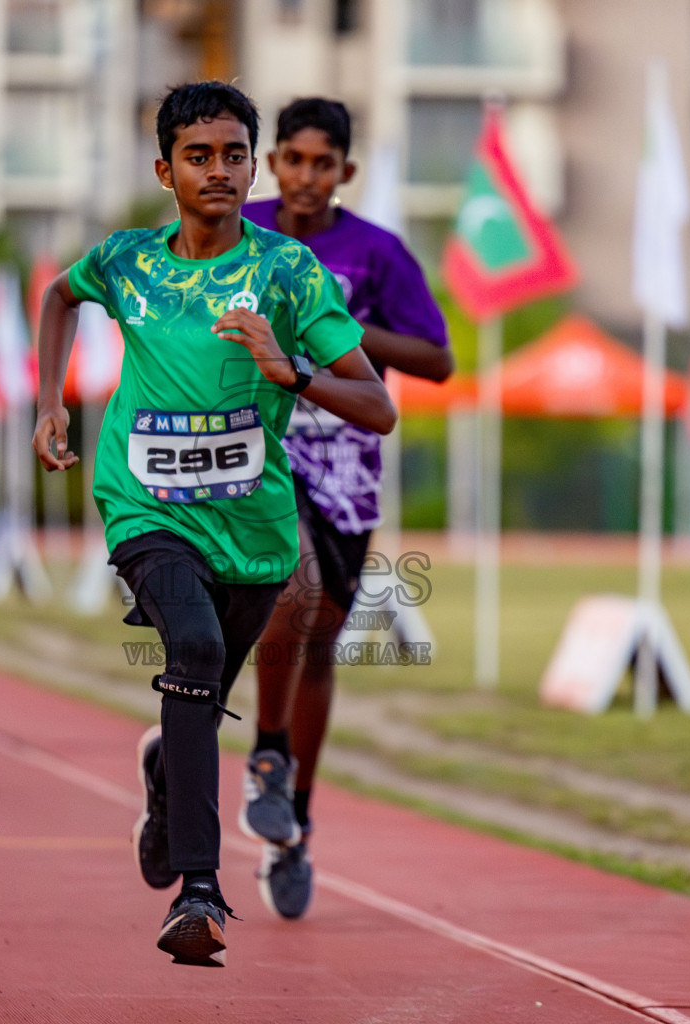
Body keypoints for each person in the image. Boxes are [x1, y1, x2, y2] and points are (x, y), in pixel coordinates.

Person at [32, 81, 395, 968]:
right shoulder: (127, 262)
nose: (221, 170)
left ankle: (167, 780)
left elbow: (378, 406)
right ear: (166, 170)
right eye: (200, 156)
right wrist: (50, 406)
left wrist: (292, 372)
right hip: (144, 502)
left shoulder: (288, 273)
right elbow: (56, 299)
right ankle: (201, 891)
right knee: (191, 656)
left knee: (201, 694)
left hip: (256, 532)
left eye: (236, 154)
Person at [241, 98, 452, 919]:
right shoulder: (241, 234)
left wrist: (344, 330)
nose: (303, 176)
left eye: (320, 162)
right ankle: (259, 756)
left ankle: (294, 821)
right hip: (251, 446)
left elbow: (437, 358)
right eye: (290, 159)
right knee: (288, 595)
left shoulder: (378, 253)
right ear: (272, 165)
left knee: (320, 640)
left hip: (347, 462)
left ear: (345, 173)